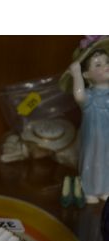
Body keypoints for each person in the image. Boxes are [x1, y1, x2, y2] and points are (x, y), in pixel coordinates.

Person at [64, 38, 109, 203]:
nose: (105, 66)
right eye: (98, 65)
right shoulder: (90, 96)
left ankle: (105, 188)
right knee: (92, 159)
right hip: (93, 138)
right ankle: (89, 190)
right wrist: (76, 73)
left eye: (107, 62)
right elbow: (79, 95)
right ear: (86, 75)